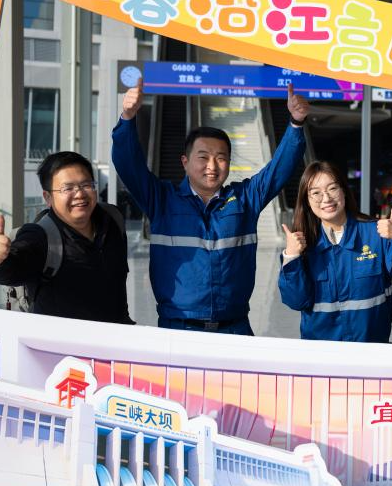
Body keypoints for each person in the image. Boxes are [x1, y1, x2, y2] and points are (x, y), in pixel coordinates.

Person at [112, 80, 308, 334]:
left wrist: (296, 124)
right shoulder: (161, 200)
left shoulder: (245, 199)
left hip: (235, 328)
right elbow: (128, 165)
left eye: (221, 158)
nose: (212, 166)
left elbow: (279, 170)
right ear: (185, 162)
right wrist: (128, 118)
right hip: (178, 330)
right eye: (203, 157)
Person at [278, 162, 392, 342]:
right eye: (316, 193)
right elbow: (296, 301)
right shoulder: (305, 244)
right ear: (307, 200)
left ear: (344, 191)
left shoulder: (376, 235)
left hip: (370, 350)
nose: (326, 198)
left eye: (332, 188)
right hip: (321, 354)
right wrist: (291, 257)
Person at [0, 152, 131, 323]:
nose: (79, 194)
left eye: (86, 185)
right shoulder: (40, 236)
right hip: (61, 339)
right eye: (68, 188)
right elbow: (15, 264)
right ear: (48, 197)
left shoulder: (112, 219)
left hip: (118, 335)